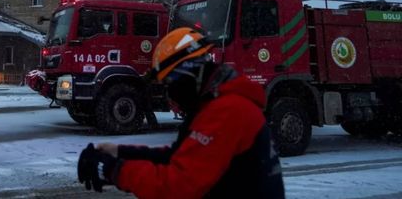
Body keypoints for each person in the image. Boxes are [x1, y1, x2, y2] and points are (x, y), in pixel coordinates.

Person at [77, 27, 284, 198]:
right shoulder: (215, 106)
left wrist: (115, 170)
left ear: (191, 71)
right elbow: (178, 156)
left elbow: (178, 187)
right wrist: (120, 153)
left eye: (171, 82)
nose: (171, 92)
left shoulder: (227, 111)